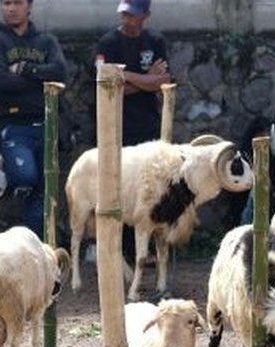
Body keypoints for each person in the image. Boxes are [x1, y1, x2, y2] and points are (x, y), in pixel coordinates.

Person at [94, 0, 172, 271]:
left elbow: (162, 81)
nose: (128, 19)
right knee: (122, 189)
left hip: (149, 127)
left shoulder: (156, 41)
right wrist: (144, 79)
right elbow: (108, 87)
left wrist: (125, 76)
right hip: (117, 126)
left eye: (133, 15)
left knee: (151, 189)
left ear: (145, 15)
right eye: (124, 13)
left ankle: (150, 247)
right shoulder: (108, 42)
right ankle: (124, 249)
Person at [0, 0, 67, 240]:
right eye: (6, 3)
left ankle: (38, 244)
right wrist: (40, 81)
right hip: (13, 125)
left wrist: (25, 70)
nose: (11, 8)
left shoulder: (47, 42)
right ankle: (9, 165)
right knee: (25, 177)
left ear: (29, 6)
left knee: (42, 189)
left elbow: (60, 72)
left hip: (47, 124)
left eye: (17, 2)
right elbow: (0, 81)